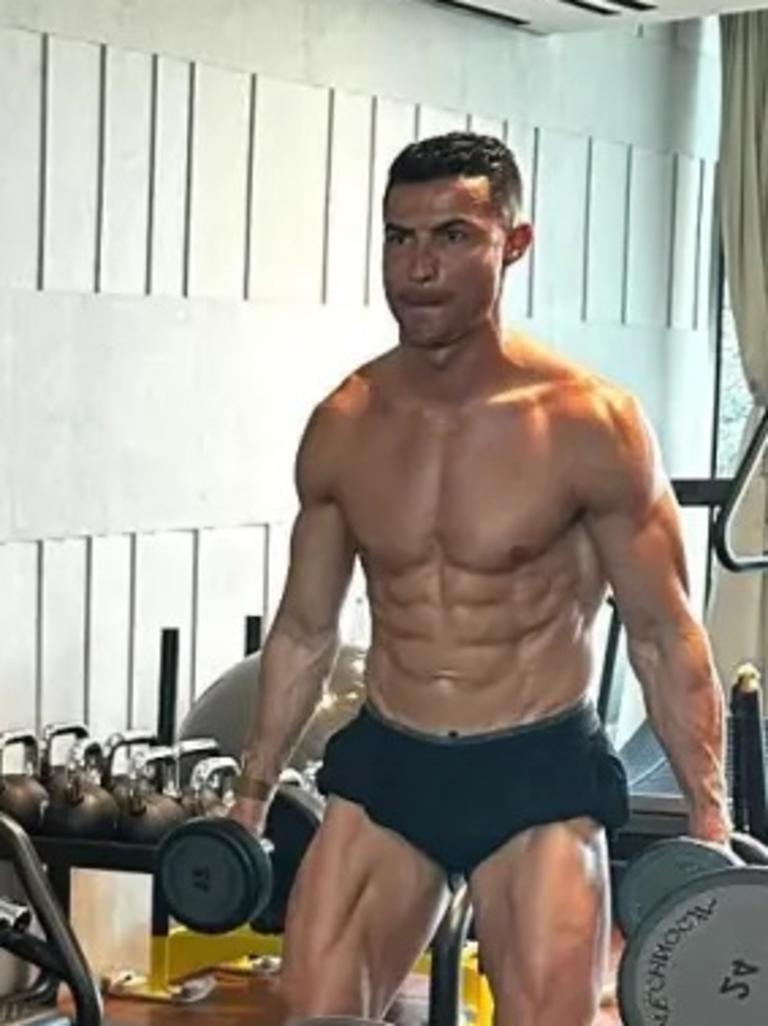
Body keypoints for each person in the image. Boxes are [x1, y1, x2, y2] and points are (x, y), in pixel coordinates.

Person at [230, 132, 731, 1026]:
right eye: (400, 237)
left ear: (515, 243)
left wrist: (708, 819)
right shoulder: (346, 423)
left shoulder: (589, 424)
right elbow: (305, 630)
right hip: (391, 763)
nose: (417, 268)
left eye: (453, 236)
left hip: (536, 773)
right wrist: (250, 797)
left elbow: (663, 634)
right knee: (315, 1012)